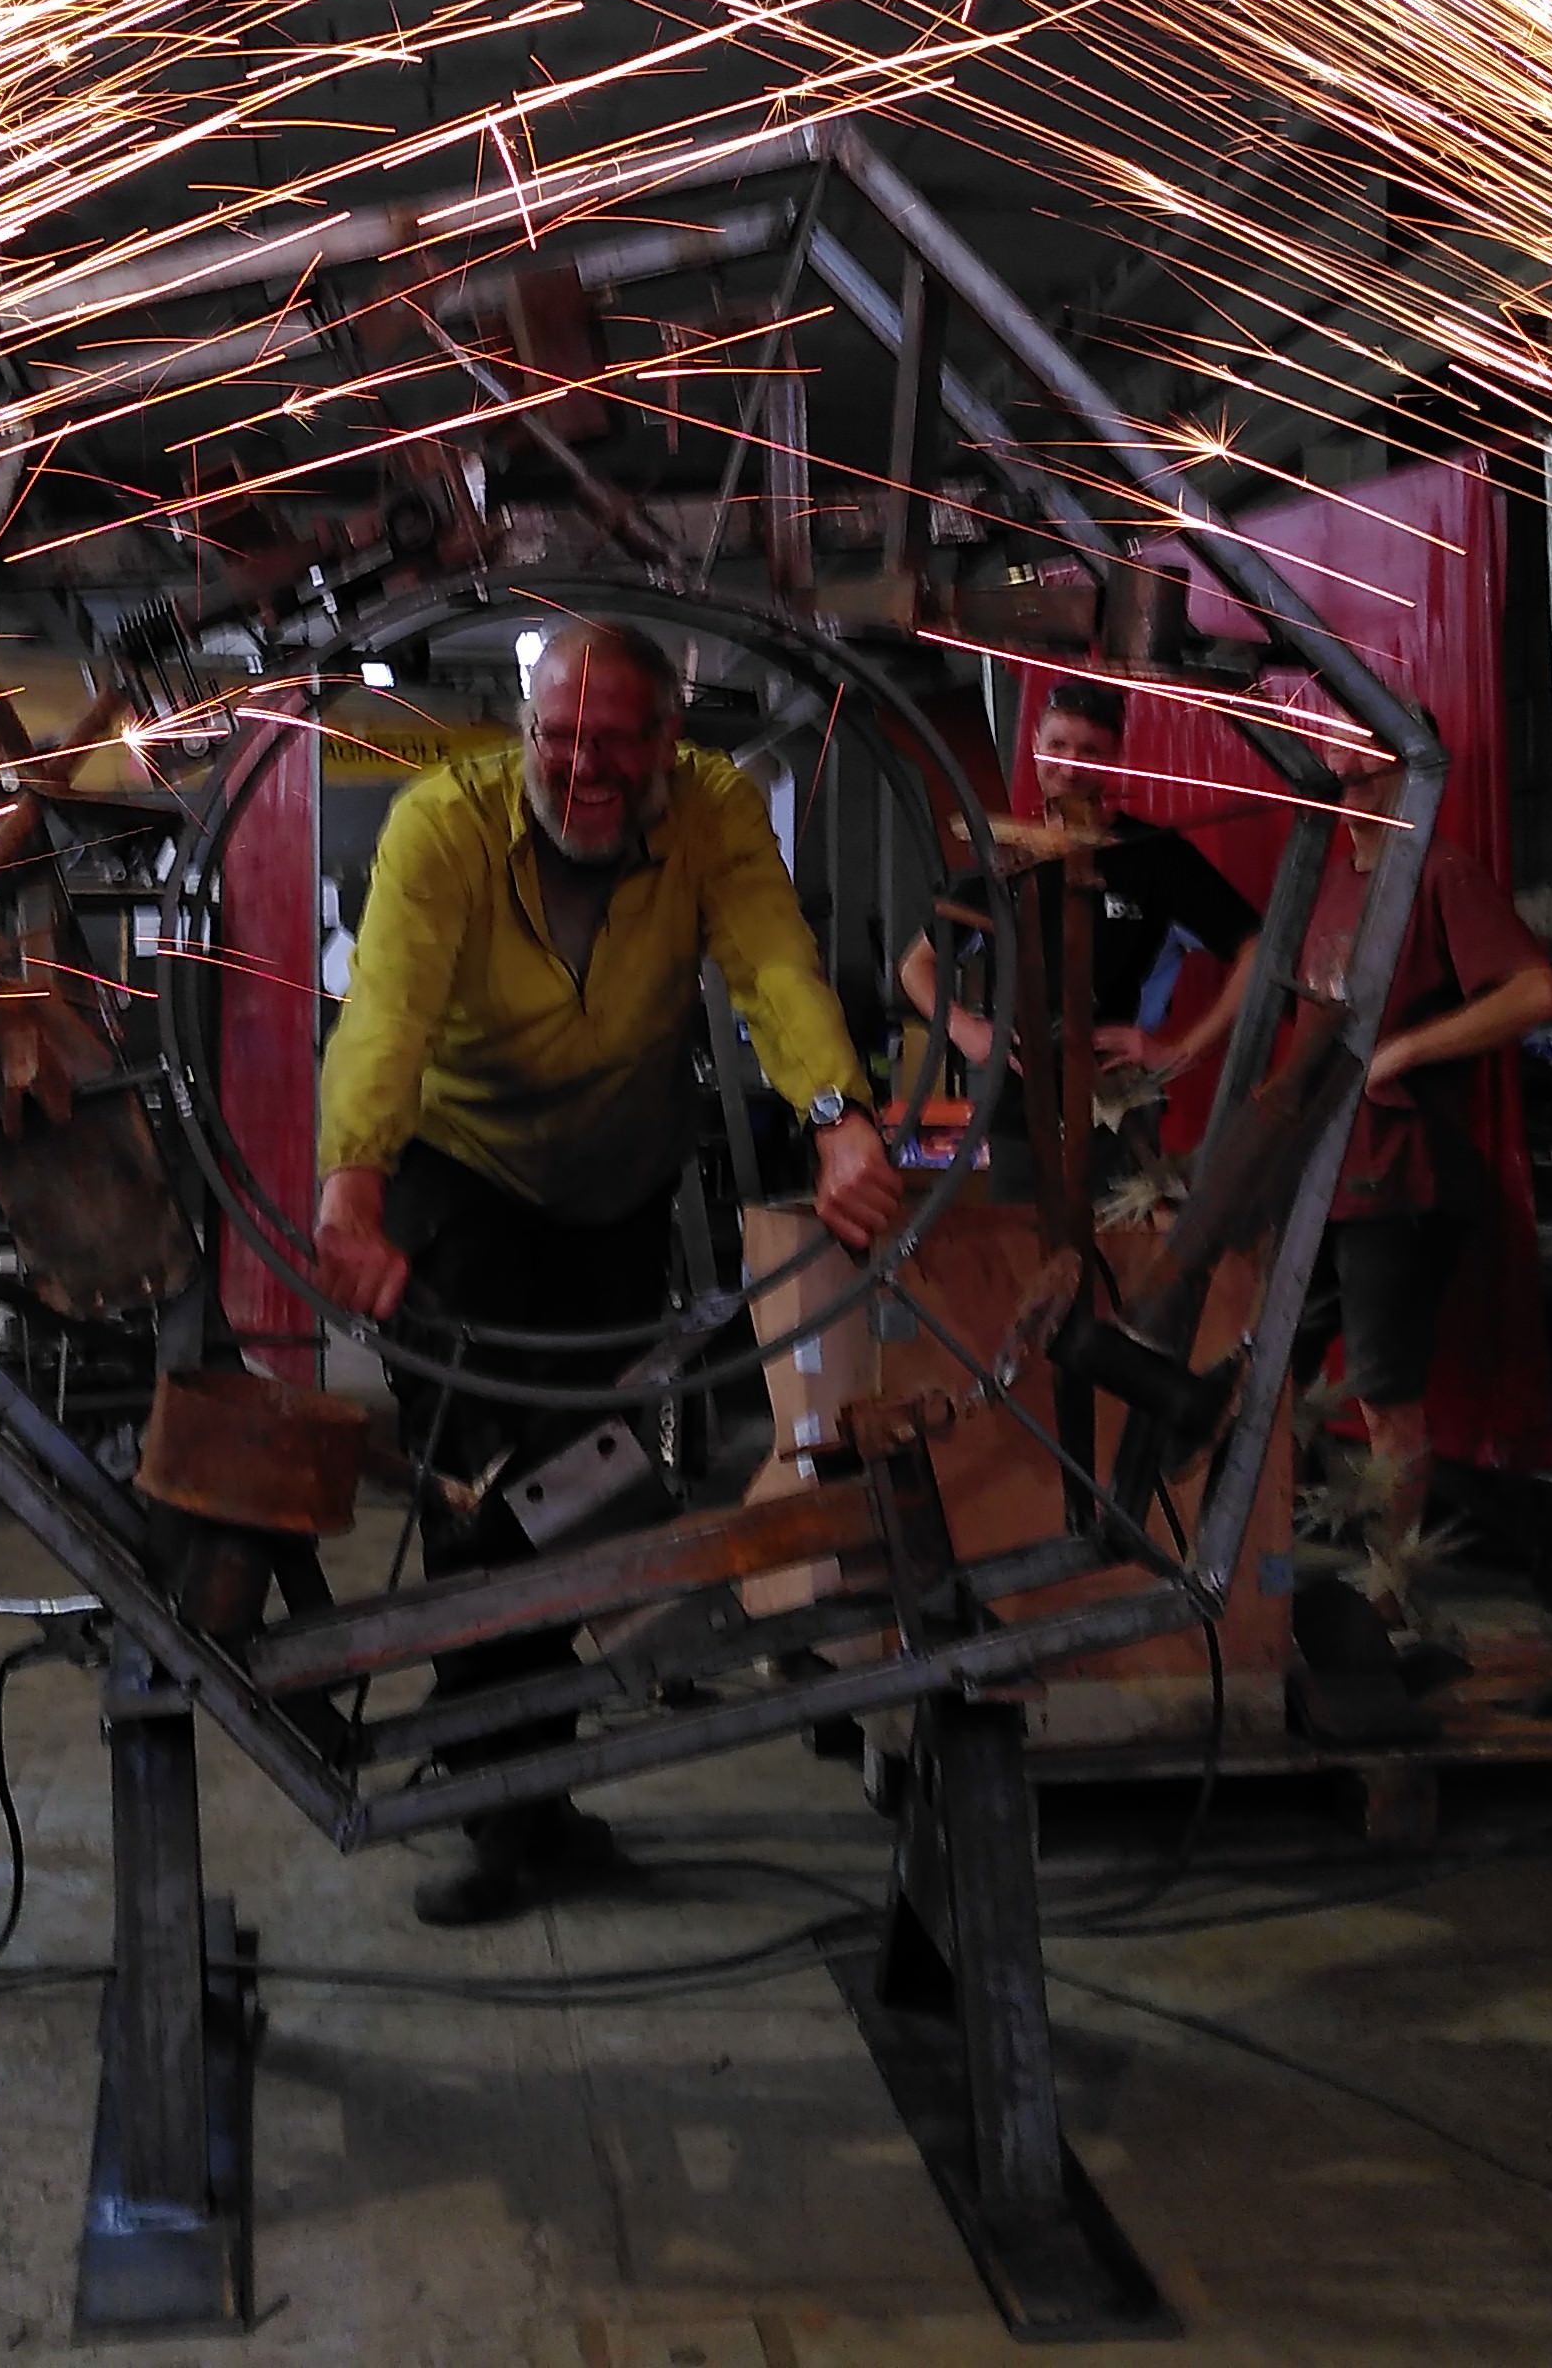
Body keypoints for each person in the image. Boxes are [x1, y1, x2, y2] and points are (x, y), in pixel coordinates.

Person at [313, 617, 905, 1925]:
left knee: (585, 1490)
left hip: (616, 1188)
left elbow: (773, 966)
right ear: (526, 729)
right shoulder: (442, 824)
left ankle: (537, 1787)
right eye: (559, 736)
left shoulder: (713, 811)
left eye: (617, 742)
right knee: (481, 1492)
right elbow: (386, 1014)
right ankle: (495, 1806)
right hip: (463, 1175)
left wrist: (837, 1118)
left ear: (667, 741)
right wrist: (352, 1182)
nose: (584, 767)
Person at [1297, 804, 1552, 1612]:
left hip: (1394, 1177)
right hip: (1320, 1172)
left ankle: (1386, 1594)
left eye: (1361, 747)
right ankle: (1274, 1588)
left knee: (1384, 1397)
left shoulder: (1439, 872)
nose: (1340, 757)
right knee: (1269, 1376)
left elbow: (1537, 992)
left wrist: (1407, 1050)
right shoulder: (1329, 878)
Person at [895, 679, 1268, 1112]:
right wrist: (965, 1030)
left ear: (1116, 757)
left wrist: (1179, 1052)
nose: (1070, 768)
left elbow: (1258, 950)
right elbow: (915, 966)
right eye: (1058, 746)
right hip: (1014, 1107)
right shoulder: (1008, 859)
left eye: (1090, 751)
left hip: (1118, 1106)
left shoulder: (1157, 857)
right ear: (1035, 744)